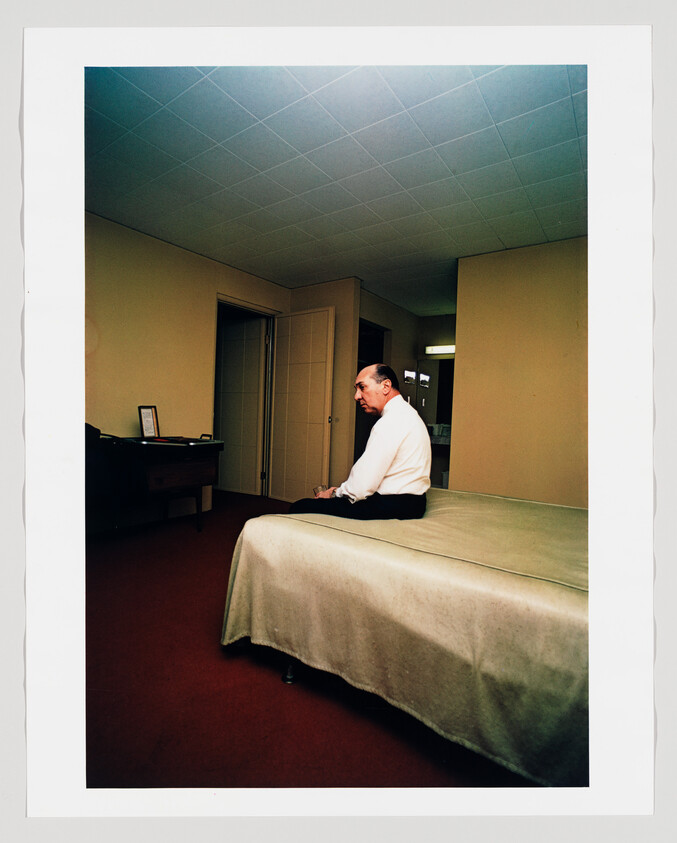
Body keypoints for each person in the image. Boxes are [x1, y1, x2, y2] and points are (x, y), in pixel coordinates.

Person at [289, 363, 431, 520]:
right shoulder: (409, 414)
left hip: (394, 505)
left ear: (386, 386)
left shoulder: (391, 421)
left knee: (300, 506)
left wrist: (334, 493)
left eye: (362, 387)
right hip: (414, 503)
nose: (356, 396)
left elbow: (361, 487)